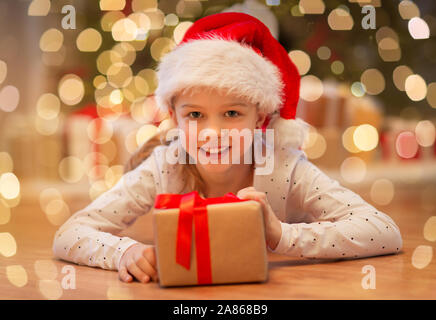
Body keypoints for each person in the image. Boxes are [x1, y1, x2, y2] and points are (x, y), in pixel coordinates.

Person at [52, 12, 403, 284]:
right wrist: (123, 252)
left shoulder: (284, 168)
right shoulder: (167, 166)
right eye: (195, 115)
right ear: (173, 117)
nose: (213, 133)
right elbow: (69, 234)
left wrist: (281, 234)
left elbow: (383, 231)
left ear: (260, 118)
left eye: (232, 113)